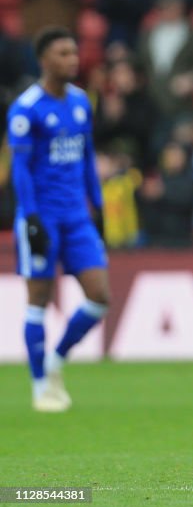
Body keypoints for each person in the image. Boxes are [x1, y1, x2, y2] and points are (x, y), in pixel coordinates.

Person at [7, 27, 110, 412]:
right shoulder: (26, 108)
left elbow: (85, 160)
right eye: (64, 53)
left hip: (77, 216)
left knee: (100, 296)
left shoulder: (82, 102)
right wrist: (31, 219)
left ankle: (56, 360)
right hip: (42, 216)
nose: (73, 59)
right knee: (39, 301)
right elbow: (20, 170)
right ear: (44, 60)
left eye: (74, 52)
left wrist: (96, 208)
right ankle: (40, 388)